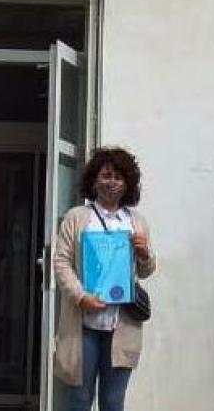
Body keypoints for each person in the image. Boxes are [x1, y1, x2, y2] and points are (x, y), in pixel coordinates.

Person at [53, 147, 156, 411]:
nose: (112, 182)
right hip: (83, 325)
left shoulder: (137, 222)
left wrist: (145, 255)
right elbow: (61, 261)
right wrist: (80, 296)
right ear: (94, 179)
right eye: (106, 175)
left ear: (128, 183)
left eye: (119, 177)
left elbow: (145, 271)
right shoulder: (76, 218)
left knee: (113, 402)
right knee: (77, 400)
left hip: (122, 326)